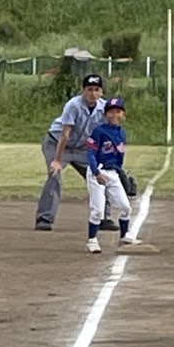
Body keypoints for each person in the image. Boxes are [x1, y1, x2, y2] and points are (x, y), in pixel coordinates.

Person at [35, 73, 115, 231]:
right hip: (57, 143)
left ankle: (103, 217)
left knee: (99, 176)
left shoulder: (104, 109)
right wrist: (57, 161)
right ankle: (44, 218)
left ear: (102, 92)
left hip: (82, 149)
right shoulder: (74, 105)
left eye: (96, 89)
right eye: (89, 89)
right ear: (82, 90)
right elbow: (65, 134)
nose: (93, 93)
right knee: (54, 175)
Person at [84, 96, 147, 254]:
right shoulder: (98, 131)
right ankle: (92, 240)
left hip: (112, 174)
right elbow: (90, 153)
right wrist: (96, 172)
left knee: (126, 207)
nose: (114, 115)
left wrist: (120, 172)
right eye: (111, 112)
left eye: (118, 111)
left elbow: (118, 157)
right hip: (97, 172)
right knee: (98, 210)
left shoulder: (121, 133)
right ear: (106, 114)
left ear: (123, 115)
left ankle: (124, 237)